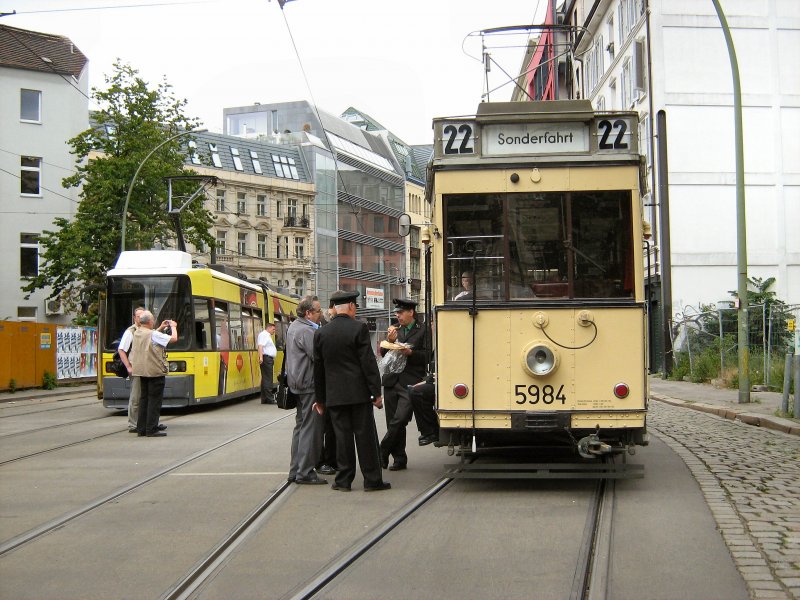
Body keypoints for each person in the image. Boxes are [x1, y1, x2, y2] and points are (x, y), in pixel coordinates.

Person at [313, 290, 390, 492]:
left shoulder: (321, 333)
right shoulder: (359, 329)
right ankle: (372, 480)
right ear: (350, 307)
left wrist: (320, 399)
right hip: (359, 395)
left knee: (342, 438)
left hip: (335, 396)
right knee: (365, 437)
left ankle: (343, 480)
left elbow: (318, 369)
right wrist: (376, 393)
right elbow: (368, 363)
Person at [379, 297, 427, 471]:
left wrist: (411, 353)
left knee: (400, 420)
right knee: (392, 420)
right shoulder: (395, 330)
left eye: (400, 313)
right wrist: (390, 342)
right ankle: (399, 458)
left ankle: (382, 450)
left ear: (411, 312)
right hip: (392, 380)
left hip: (410, 381)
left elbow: (428, 356)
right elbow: (384, 353)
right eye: (396, 313)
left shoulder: (423, 330)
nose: (397, 316)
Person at [286, 296, 327, 485]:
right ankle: (305, 472)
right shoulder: (306, 330)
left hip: (297, 384)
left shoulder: (294, 326)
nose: (321, 314)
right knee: (311, 429)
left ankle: (295, 469)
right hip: (309, 384)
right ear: (308, 313)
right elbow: (318, 356)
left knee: (300, 427)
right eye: (318, 311)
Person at [131, 311, 177, 437]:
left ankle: (142, 428)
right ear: (150, 321)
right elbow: (173, 339)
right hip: (154, 371)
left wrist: (161, 328)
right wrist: (173, 326)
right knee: (154, 400)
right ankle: (151, 428)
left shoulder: (137, 332)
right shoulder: (152, 334)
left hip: (142, 371)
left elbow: (150, 337)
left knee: (144, 399)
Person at [316, 297, 339, 476]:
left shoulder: (322, 327)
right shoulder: (323, 328)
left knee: (329, 427)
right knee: (329, 428)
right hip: (330, 387)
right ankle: (326, 460)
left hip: (328, 387)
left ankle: (329, 459)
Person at [257, 322, 277, 404]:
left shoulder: (266, 335)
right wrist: (261, 357)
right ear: (268, 328)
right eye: (273, 329)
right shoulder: (264, 334)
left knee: (265, 378)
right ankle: (270, 398)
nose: (274, 331)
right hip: (266, 358)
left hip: (267, 358)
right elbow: (260, 346)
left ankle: (264, 398)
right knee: (268, 378)